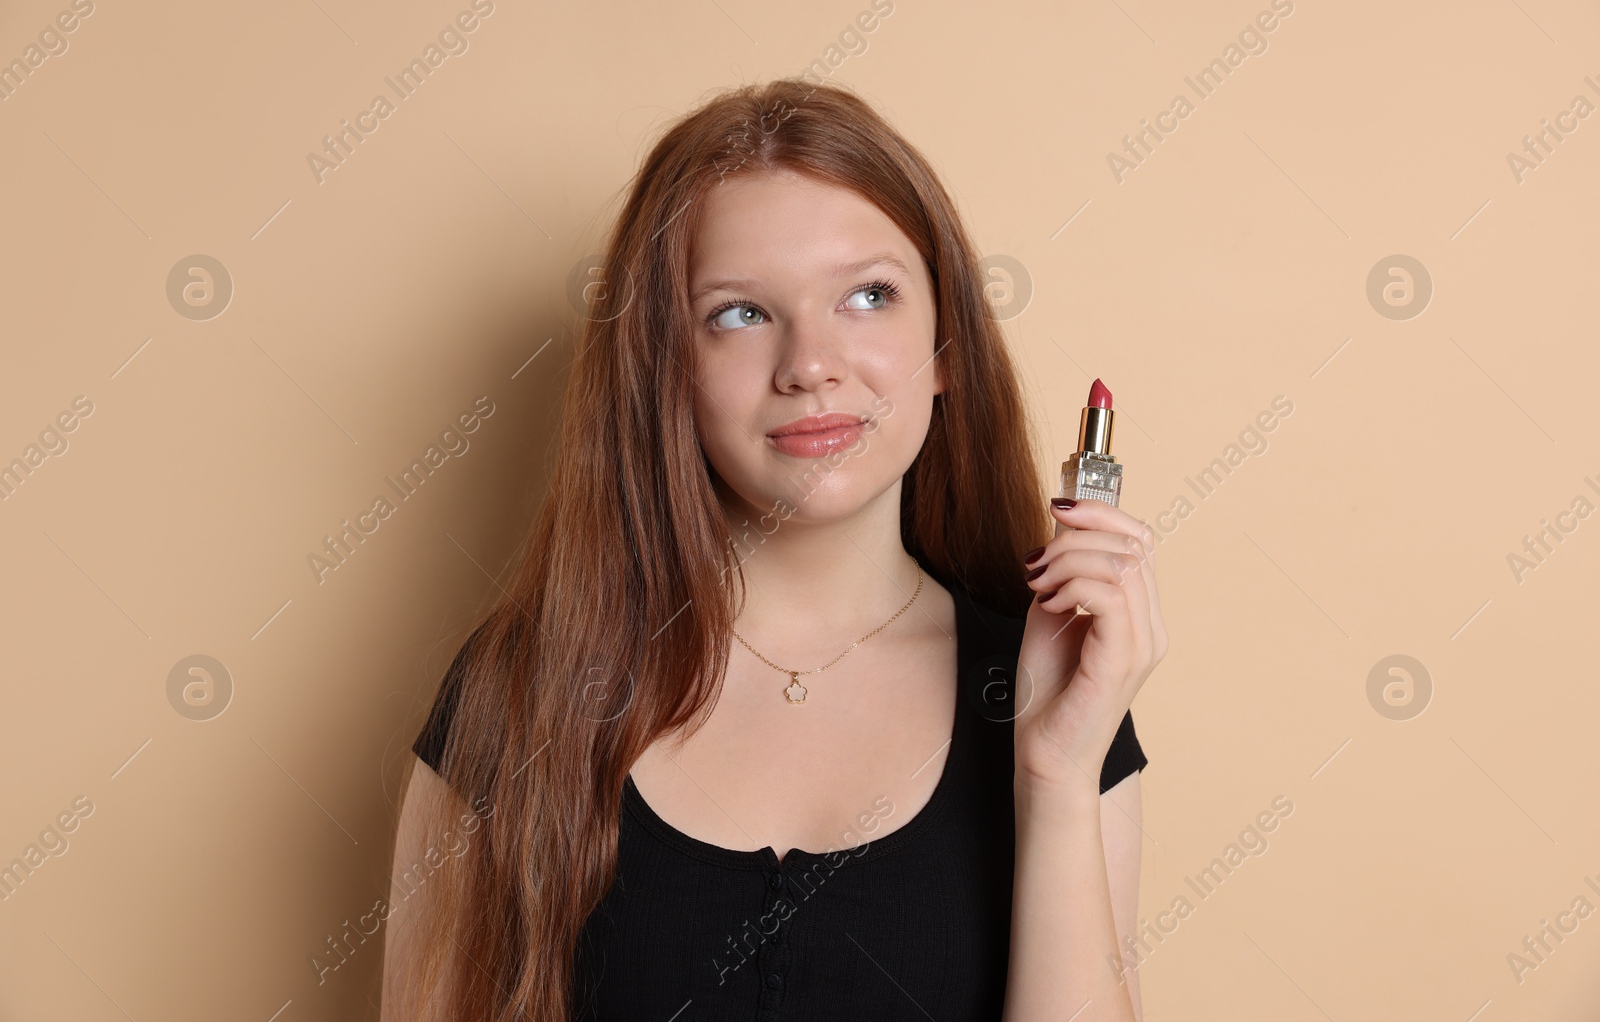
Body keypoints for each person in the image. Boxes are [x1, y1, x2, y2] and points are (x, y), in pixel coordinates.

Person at [381, 77, 1168, 1022]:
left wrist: (1055, 773)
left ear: (948, 343)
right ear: (667, 369)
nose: (810, 363)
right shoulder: (516, 695)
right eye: (741, 313)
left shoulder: (1057, 702)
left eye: (869, 296)